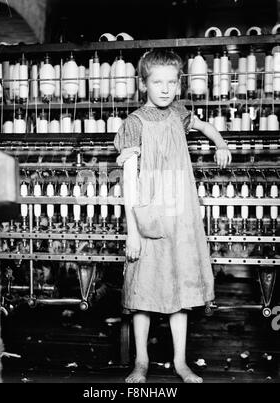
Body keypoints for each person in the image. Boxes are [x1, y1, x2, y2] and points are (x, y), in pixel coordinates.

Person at [114, 50, 231, 383]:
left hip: (180, 214)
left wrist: (220, 143)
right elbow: (128, 180)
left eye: (171, 82)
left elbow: (204, 124)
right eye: (157, 82)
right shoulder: (134, 123)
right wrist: (133, 232)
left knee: (180, 290)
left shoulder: (179, 112)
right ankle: (141, 362)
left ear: (179, 83)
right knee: (144, 292)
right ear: (143, 84)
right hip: (148, 215)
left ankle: (180, 362)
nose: (164, 89)